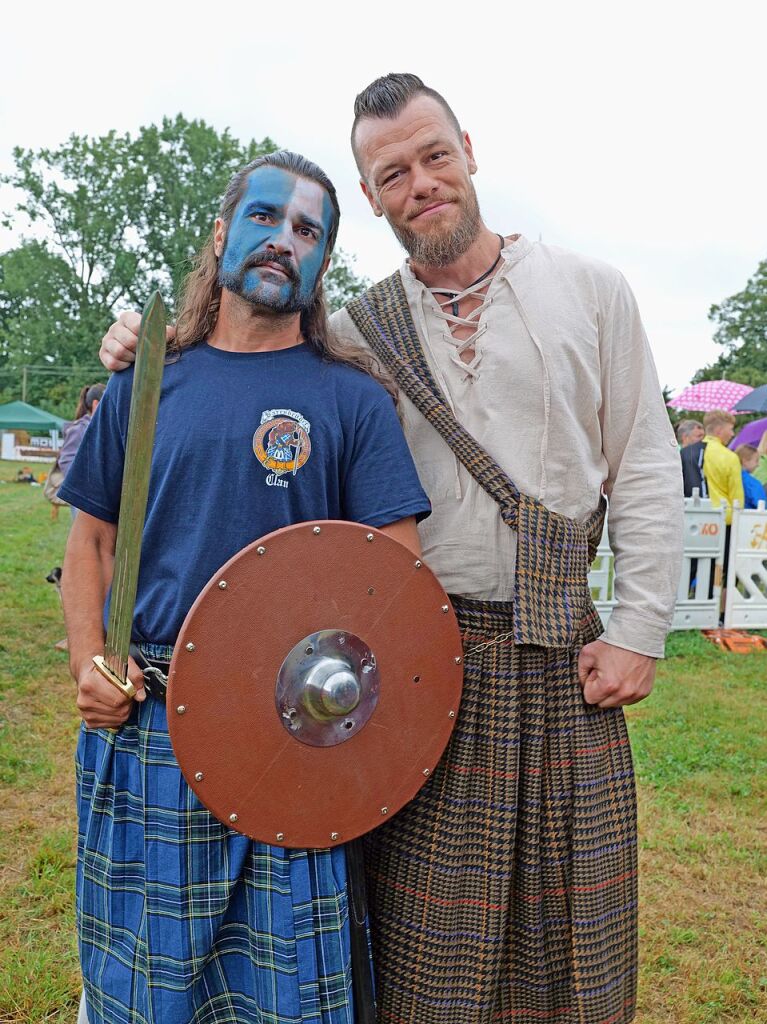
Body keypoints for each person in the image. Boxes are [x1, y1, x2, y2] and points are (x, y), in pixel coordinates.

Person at [100, 74, 684, 1024]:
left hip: (563, 653)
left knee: (578, 931)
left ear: (468, 149)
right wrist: (148, 342)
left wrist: (640, 625)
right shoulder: (351, 332)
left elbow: (649, 463)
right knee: (426, 946)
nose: (420, 183)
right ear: (369, 200)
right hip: (414, 663)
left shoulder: (591, 290)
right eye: (392, 173)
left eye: (433, 156)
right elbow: (245, 346)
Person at [63, 149, 431, 1024]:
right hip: (149, 715)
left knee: (283, 997)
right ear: (223, 232)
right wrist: (90, 665)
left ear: (323, 264)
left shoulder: (351, 402)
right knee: (144, 987)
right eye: (264, 217)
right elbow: (94, 545)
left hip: (291, 733)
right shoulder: (148, 382)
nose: (281, 241)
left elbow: (394, 589)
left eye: (307, 230)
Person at [735, 443, 767, 509]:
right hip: (750, 517)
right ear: (745, 461)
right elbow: (762, 505)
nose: (758, 465)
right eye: (756, 460)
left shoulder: (730, 478)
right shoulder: (752, 483)